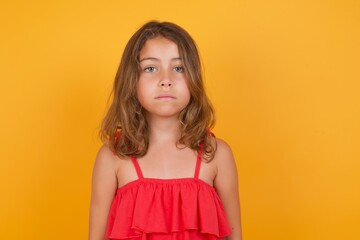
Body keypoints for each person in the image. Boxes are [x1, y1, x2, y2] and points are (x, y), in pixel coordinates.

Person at [89, 21, 242, 240]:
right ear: (132, 80)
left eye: (178, 68)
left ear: (194, 79)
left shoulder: (217, 154)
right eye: (151, 68)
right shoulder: (112, 157)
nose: (166, 80)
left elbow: (234, 236)